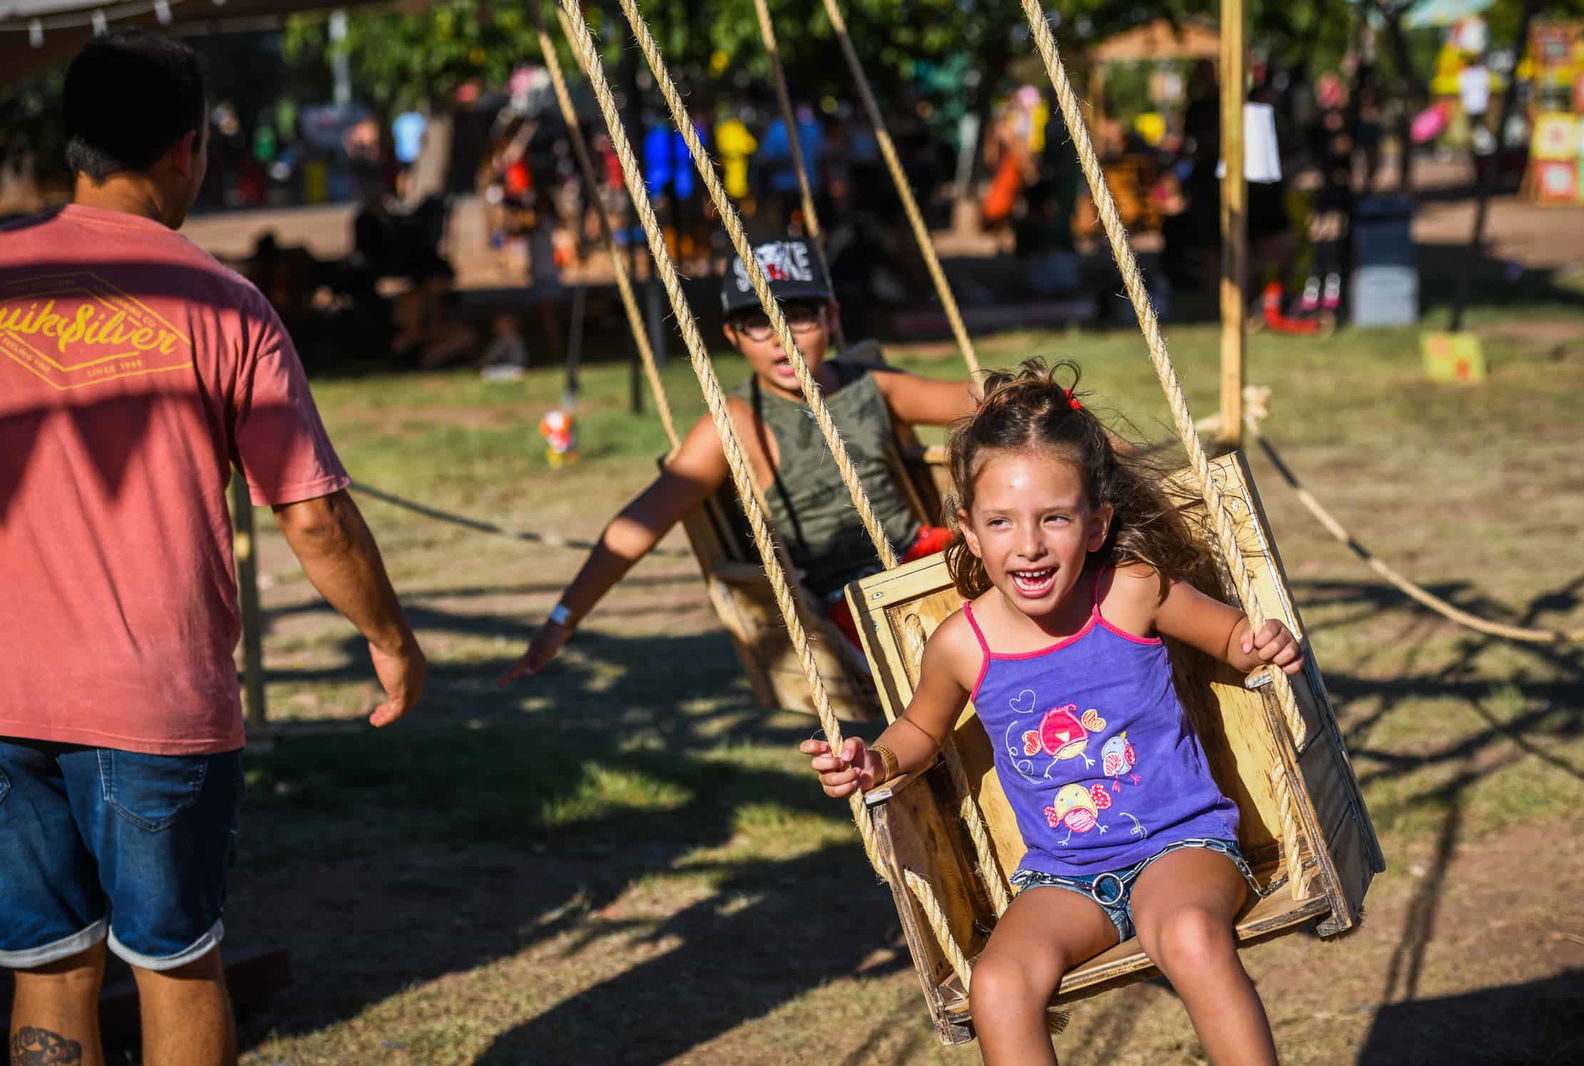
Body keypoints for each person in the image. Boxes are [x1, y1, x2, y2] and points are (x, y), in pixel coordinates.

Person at [0, 31, 426, 1066]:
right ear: (187, 148)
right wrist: (390, 638)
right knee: (176, 964)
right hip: (152, 703)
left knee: (46, 968)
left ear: (73, 143)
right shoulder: (222, 304)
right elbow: (313, 515)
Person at [801, 361, 1302, 1066]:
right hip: (1063, 876)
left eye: (1055, 519)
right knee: (998, 984)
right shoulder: (963, 644)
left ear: (1097, 524)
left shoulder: (1131, 590)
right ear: (969, 531)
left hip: (1182, 848)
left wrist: (1260, 643)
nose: (1029, 544)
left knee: (1189, 935)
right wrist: (874, 760)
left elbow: (1230, 637)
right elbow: (920, 730)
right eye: (1001, 522)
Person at [500, 236, 978, 683]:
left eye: (798, 315)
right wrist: (562, 619)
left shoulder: (867, 384)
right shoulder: (733, 425)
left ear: (831, 316)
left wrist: (1024, 389)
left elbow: (979, 400)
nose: (780, 337)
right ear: (733, 335)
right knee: (955, 654)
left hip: (927, 555)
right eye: (759, 322)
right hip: (852, 601)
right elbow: (637, 525)